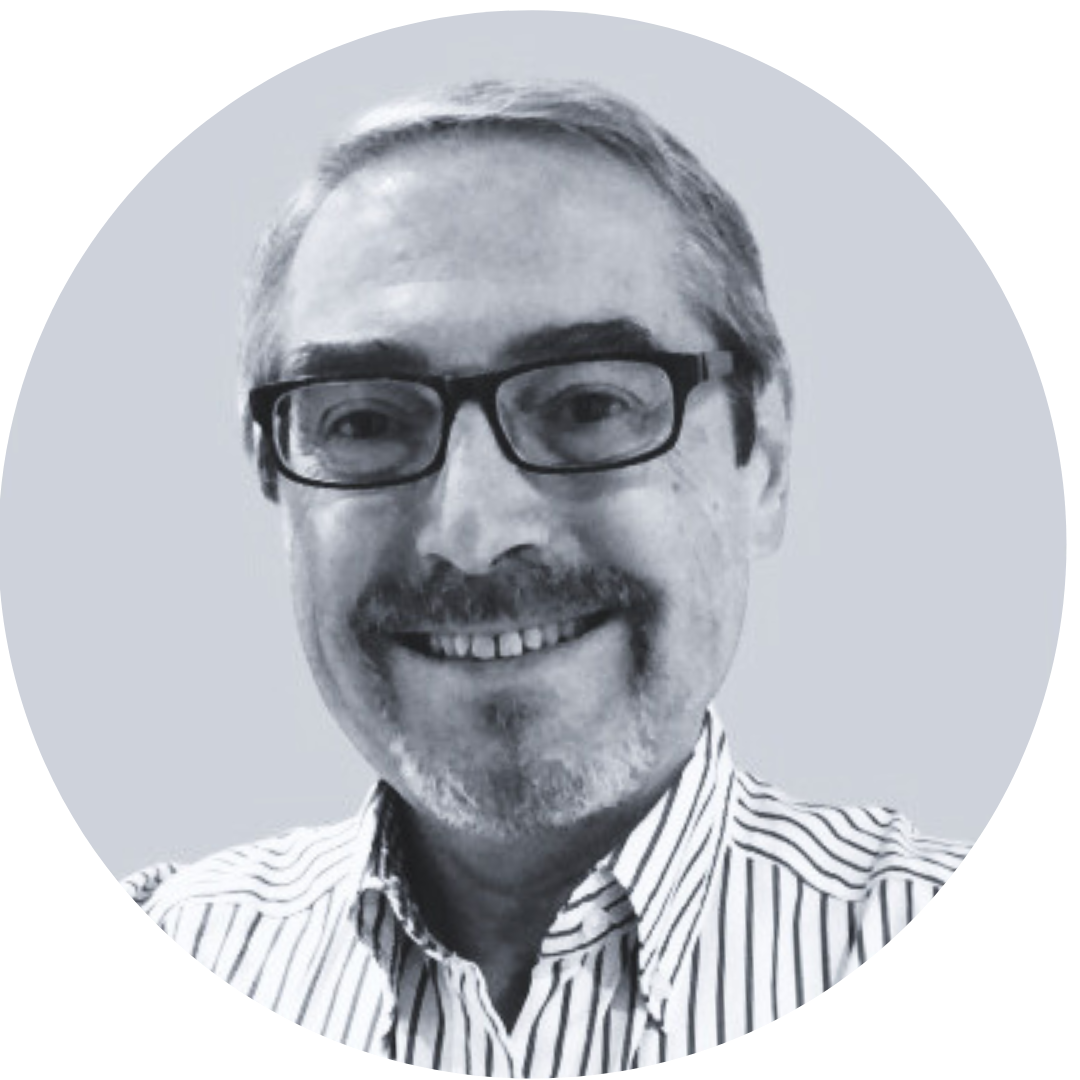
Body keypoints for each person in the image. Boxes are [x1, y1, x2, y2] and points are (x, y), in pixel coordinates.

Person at [121, 79, 969, 1080]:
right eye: (366, 420)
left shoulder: (991, 965)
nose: (474, 533)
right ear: (275, 477)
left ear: (766, 454)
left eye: (588, 404)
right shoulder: (128, 973)